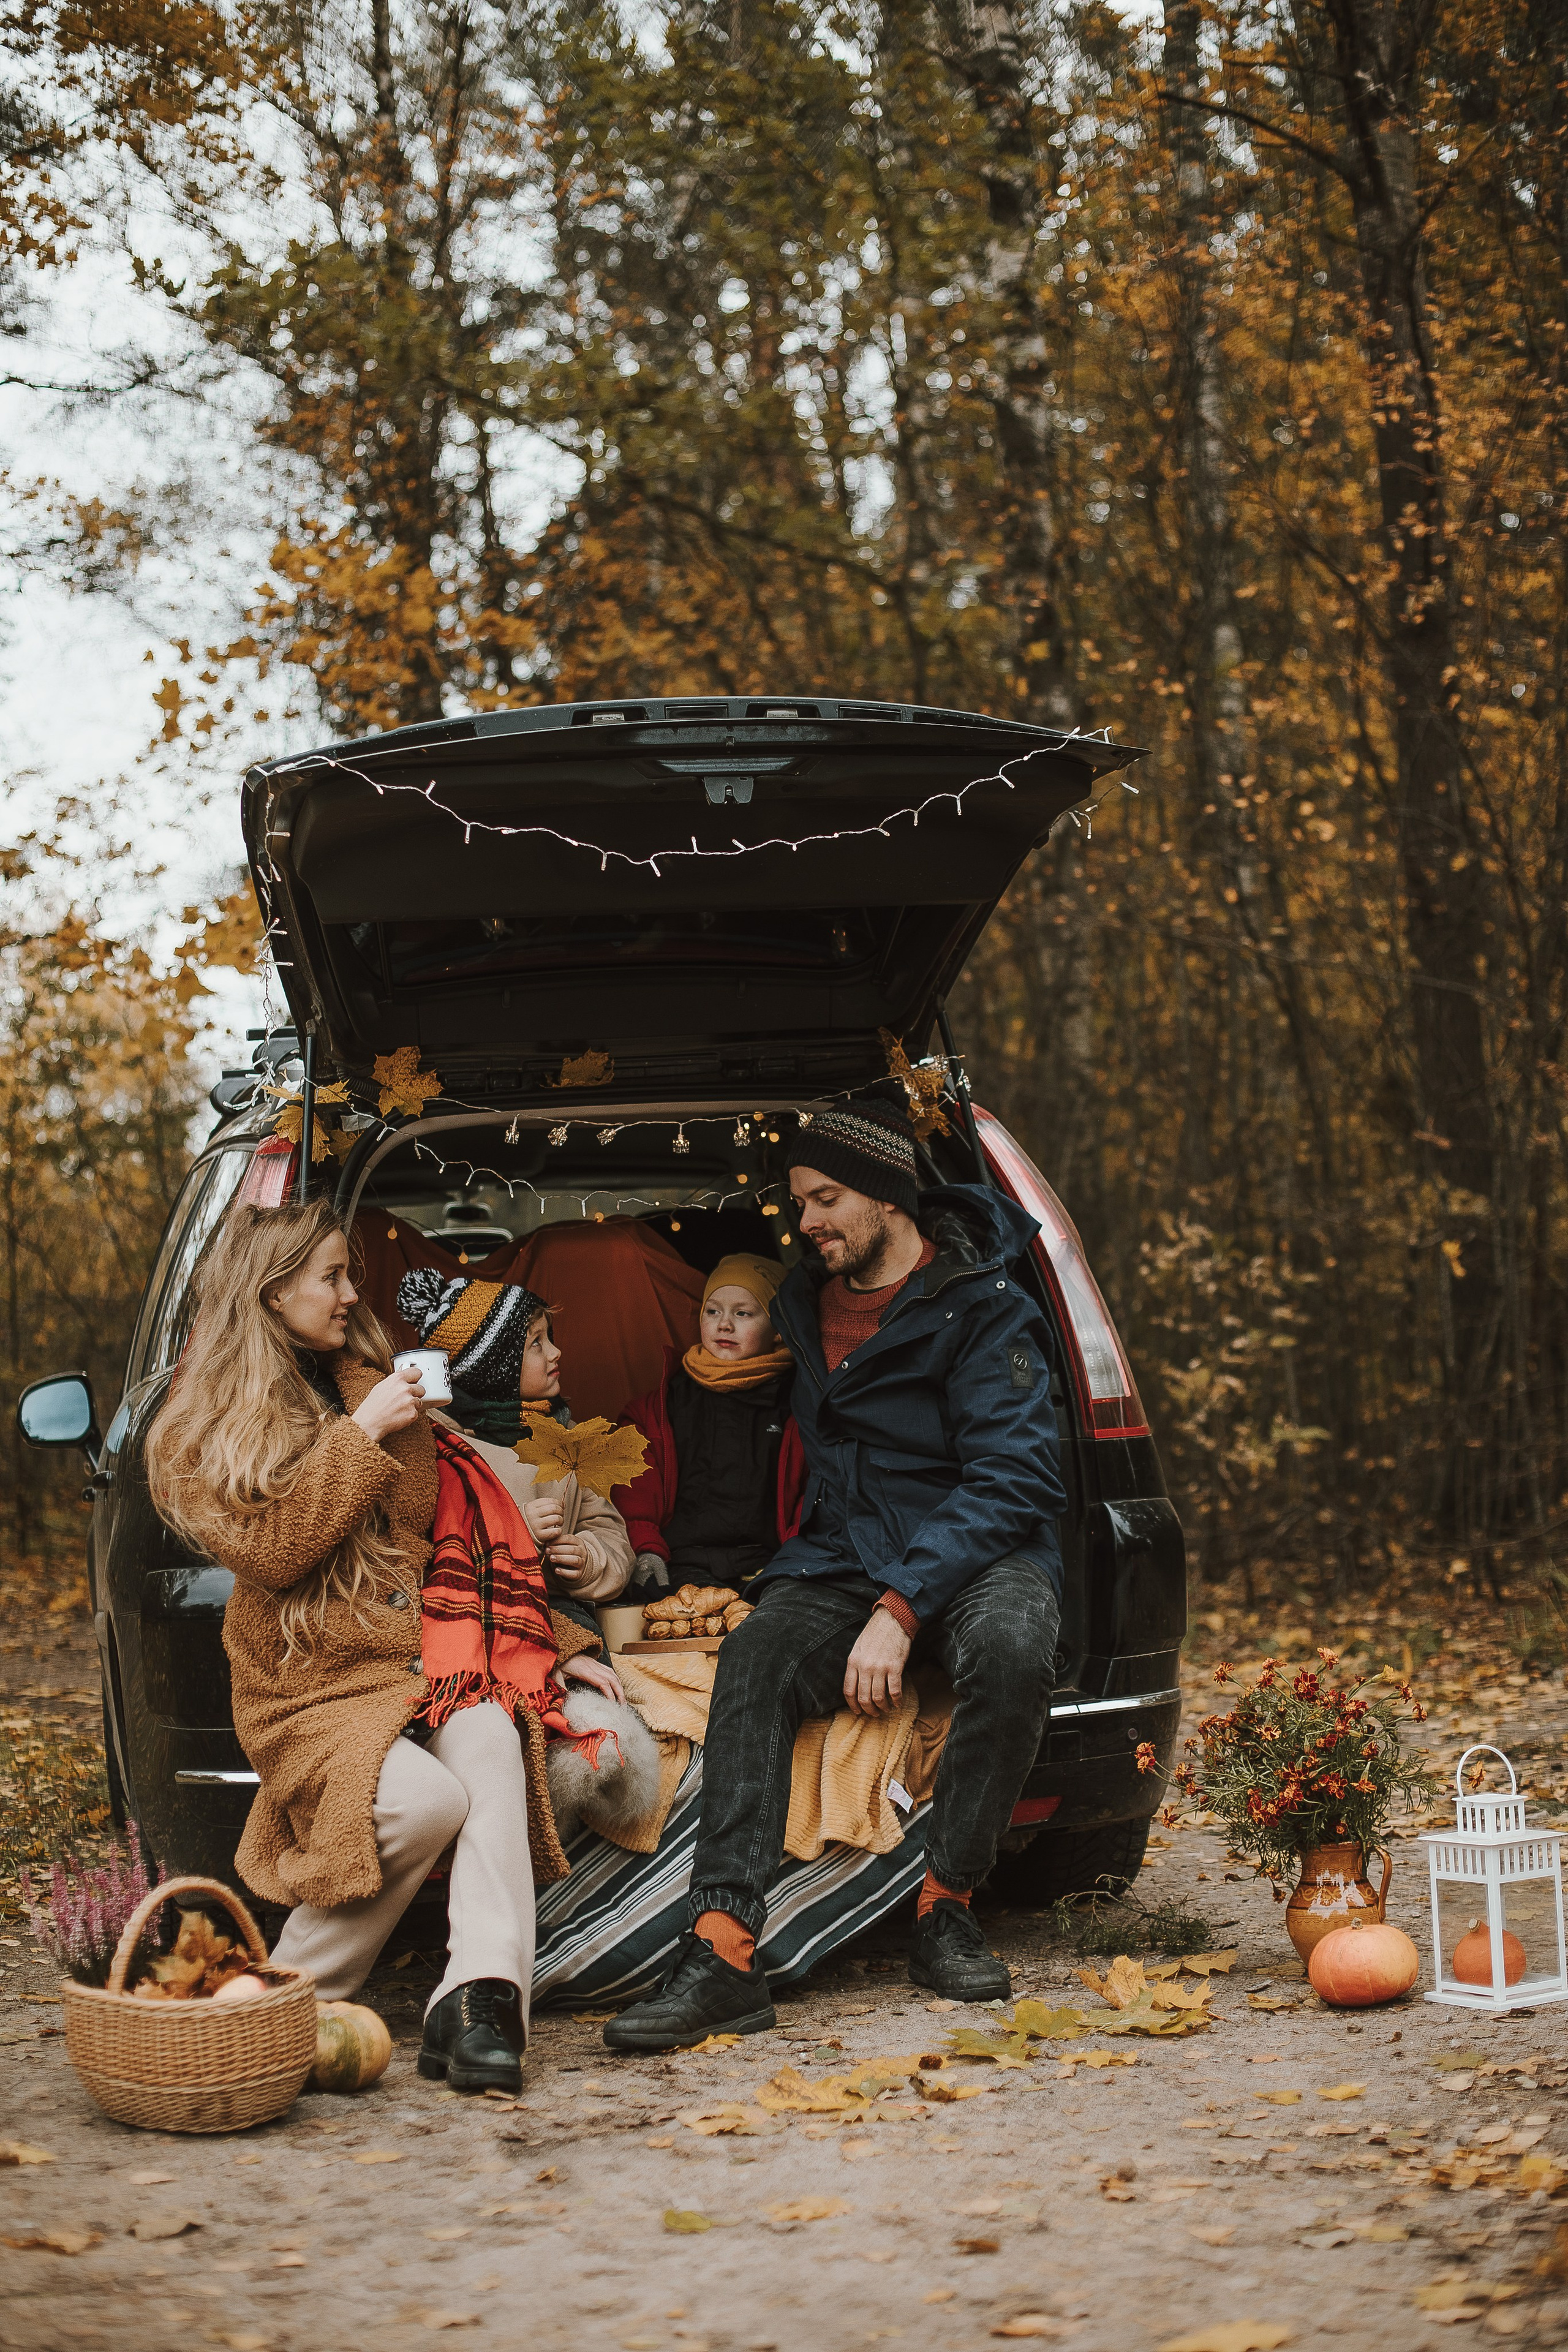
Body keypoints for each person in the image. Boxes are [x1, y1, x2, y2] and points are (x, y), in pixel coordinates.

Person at [605, 1099, 1066, 2052]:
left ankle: (946, 1907)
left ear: (891, 1197)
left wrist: (903, 1607)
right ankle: (724, 1949)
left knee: (1016, 1644)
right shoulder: (797, 1311)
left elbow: (1017, 1476)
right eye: (799, 1204)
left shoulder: (983, 1305)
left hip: (980, 1550)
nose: (805, 1222)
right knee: (758, 1657)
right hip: (847, 1551)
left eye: (824, 1199)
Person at [145, 1199, 627, 2095]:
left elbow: (459, 1531)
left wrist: (552, 1639)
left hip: (426, 1659)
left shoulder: (377, 1377)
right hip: (312, 1686)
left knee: (489, 1732)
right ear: (271, 1288)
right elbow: (272, 1550)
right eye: (330, 1275)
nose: (347, 1291)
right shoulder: (199, 1428)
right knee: (426, 1803)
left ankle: (483, 2002)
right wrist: (359, 1431)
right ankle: (284, 1999)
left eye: (347, 1274)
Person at [396, 1268, 635, 1639]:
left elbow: (610, 1534)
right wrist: (520, 1534)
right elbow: (428, 1561)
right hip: (477, 1620)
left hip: (562, 1612)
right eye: (536, 1343)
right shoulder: (435, 1445)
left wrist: (588, 1559)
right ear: (494, 1371)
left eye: (548, 1337)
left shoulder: (570, 1438)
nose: (556, 1352)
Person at [614, 1253, 805, 1600]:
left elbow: (814, 1495)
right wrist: (646, 1548)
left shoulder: (800, 1403)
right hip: (682, 1563)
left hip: (774, 1565)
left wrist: (796, 1559)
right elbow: (635, 1486)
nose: (724, 1325)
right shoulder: (663, 1404)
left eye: (743, 1313)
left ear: (779, 1329)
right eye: (713, 1311)